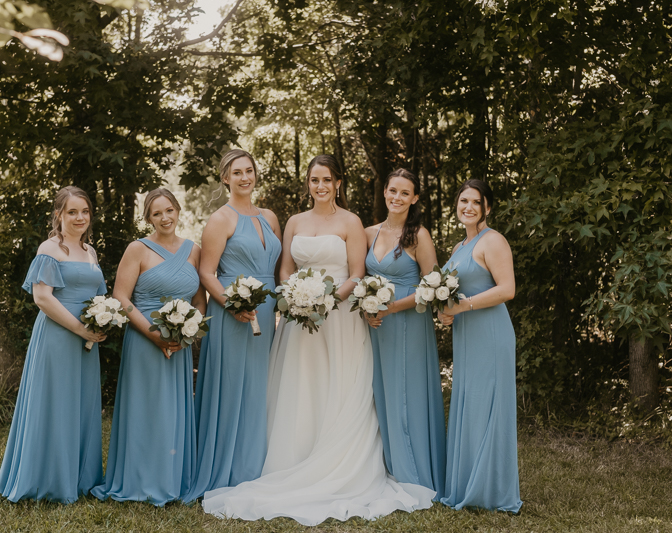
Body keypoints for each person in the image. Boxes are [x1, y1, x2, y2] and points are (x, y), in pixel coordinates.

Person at [201, 155, 435, 526]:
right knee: (299, 387)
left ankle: (339, 462)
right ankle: (292, 459)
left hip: (339, 318)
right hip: (298, 320)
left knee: (338, 387)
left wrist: (327, 302)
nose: (320, 186)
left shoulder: (351, 222)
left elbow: (357, 273)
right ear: (308, 183)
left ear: (338, 183)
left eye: (327, 179)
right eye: (314, 180)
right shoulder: (292, 221)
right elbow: (285, 269)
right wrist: (296, 299)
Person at [0, 185, 107, 503]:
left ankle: (80, 478)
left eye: (84, 211)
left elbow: (98, 295)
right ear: (59, 215)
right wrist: (80, 329)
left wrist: (102, 319)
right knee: (55, 404)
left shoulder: (90, 252)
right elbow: (42, 298)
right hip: (58, 336)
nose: (80, 217)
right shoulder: (49, 249)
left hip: (87, 339)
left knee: (80, 405)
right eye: (72, 211)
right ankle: (48, 480)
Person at [91, 188, 206, 505]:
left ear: (178, 210)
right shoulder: (137, 249)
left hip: (179, 344)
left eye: (169, 210)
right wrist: (154, 333)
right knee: (147, 409)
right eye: (157, 213)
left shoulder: (193, 250)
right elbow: (121, 297)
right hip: (145, 340)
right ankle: (140, 480)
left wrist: (189, 332)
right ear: (148, 218)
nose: (165, 218)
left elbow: (198, 299)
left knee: (173, 410)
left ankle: (171, 479)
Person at [185, 149, 282, 502]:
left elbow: (277, 268)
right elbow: (206, 273)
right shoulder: (220, 220)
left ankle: (256, 465)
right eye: (237, 172)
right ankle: (225, 467)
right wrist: (232, 304)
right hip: (232, 313)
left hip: (268, 312)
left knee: (261, 387)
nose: (245, 177)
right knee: (231, 387)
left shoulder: (270, 217)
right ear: (225, 178)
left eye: (250, 171)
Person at [437, 179, 522, 513]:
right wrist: (447, 312)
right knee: (470, 406)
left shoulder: (493, 240)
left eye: (476, 202)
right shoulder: (461, 245)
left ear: (487, 207)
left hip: (490, 332)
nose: (468, 207)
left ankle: (490, 490)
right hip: (467, 334)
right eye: (463, 201)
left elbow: (507, 289)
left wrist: (463, 306)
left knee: (487, 407)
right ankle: (466, 481)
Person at [364, 169, 446, 499]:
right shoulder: (368, 232)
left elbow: (434, 285)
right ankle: (390, 466)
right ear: (384, 192)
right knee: (381, 392)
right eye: (392, 190)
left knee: (408, 394)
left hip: (409, 323)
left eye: (404, 193)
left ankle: (415, 472)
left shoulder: (418, 236)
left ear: (414, 198)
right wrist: (366, 308)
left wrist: (393, 307)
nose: (397, 198)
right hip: (377, 327)